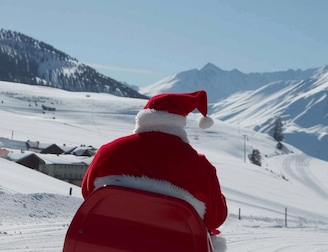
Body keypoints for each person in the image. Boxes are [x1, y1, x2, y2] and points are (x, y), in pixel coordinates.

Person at [81, 90, 227, 237]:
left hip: (107, 238)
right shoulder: (199, 166)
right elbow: (215, 218)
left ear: (143, 118)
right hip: (173, 250)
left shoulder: (109, 151)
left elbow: (88, 193)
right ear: (180, 123)